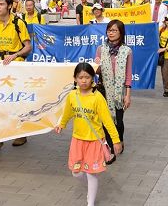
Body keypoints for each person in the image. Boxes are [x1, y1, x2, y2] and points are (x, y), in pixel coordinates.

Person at [55, 63, 122, 206]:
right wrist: (62, 124)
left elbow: (108, 121)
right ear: (75, 79)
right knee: (76, 173)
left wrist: (116, 140)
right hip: (77, 140)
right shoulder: (72, 95)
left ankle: (90, 202)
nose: (84, 80)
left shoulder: (97, 98)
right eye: (80, 77)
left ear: (93, 78)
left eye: (87, 77)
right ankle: (90, 188)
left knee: (92, 174)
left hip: (94, 141)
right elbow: (68, 113)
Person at [0, 0, 32, 154]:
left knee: (13, 101)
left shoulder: (18, 23)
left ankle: (21, 133)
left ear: (9, 6)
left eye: (1, 4)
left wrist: (14, 55)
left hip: (16, 65)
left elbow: (27, 47)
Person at [94, 20, 132, 157]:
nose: (111, 33)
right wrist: (97, 65)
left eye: (114, 30)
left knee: (119, 121)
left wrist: (127, 95)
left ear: (121, 33)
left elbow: (128, 74)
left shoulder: (126, 51)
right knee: (105, 119)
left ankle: (119, 140)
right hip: (103, 90)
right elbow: (96, 72)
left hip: (119, 92)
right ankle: (109, 146)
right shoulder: (101, 49)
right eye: (109, 30)